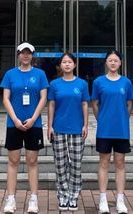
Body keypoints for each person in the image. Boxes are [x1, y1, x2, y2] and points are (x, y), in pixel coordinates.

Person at [1, 42, 49, 214]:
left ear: (32, 55)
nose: (26, 55)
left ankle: (34, 198)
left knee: (32, 161)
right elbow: (6, 98)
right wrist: (15, 119)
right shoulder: (10, 74)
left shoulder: (40, 74)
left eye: (29, 53)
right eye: (23, 52)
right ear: (18, 55)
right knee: (13, 160)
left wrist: (33, 118)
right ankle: (11, 198)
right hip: (13, 123)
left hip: (33, 124)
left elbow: (43, 98)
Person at [91, 50, 133, 214]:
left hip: (121, 129)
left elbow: (129, 104)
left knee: (120, 163)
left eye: (116, 60)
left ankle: (120, 199)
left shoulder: (126, 82)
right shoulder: (98, 82)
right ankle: (103, 198)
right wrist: (101, 119)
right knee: (104, 162)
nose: (113, 63)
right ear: (106, 63)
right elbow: (95, 103)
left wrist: (122, 118)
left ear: (120, 63)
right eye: (110, 60)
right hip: (104, 130)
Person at [47, 52, 90, 211]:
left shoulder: (82, 84)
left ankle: (74, 195)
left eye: (70, 62)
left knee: (76, 165)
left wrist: (86, 125)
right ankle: (63, 195)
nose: (67, 64)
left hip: (77, 129)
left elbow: (85, 104)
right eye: (64, 62)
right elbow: (51, 105)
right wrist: (49, 126)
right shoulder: (54, 84)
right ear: (60, 65)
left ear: (74, 65)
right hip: (59, 129)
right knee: (60, 164)